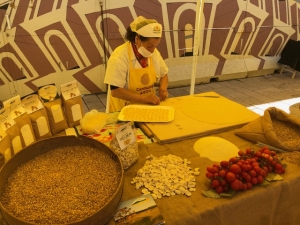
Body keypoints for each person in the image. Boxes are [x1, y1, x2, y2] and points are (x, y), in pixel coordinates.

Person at [104, 16, 169, 113]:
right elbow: (115, 91)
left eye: (156, 46)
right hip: (123, 110)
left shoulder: (154, 53)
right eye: (149, 46)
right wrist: (145, 99)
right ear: (137, 39)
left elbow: (164, 75)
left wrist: (163, 89)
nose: (153, 50)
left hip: (147, 107)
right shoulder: (120, 56)